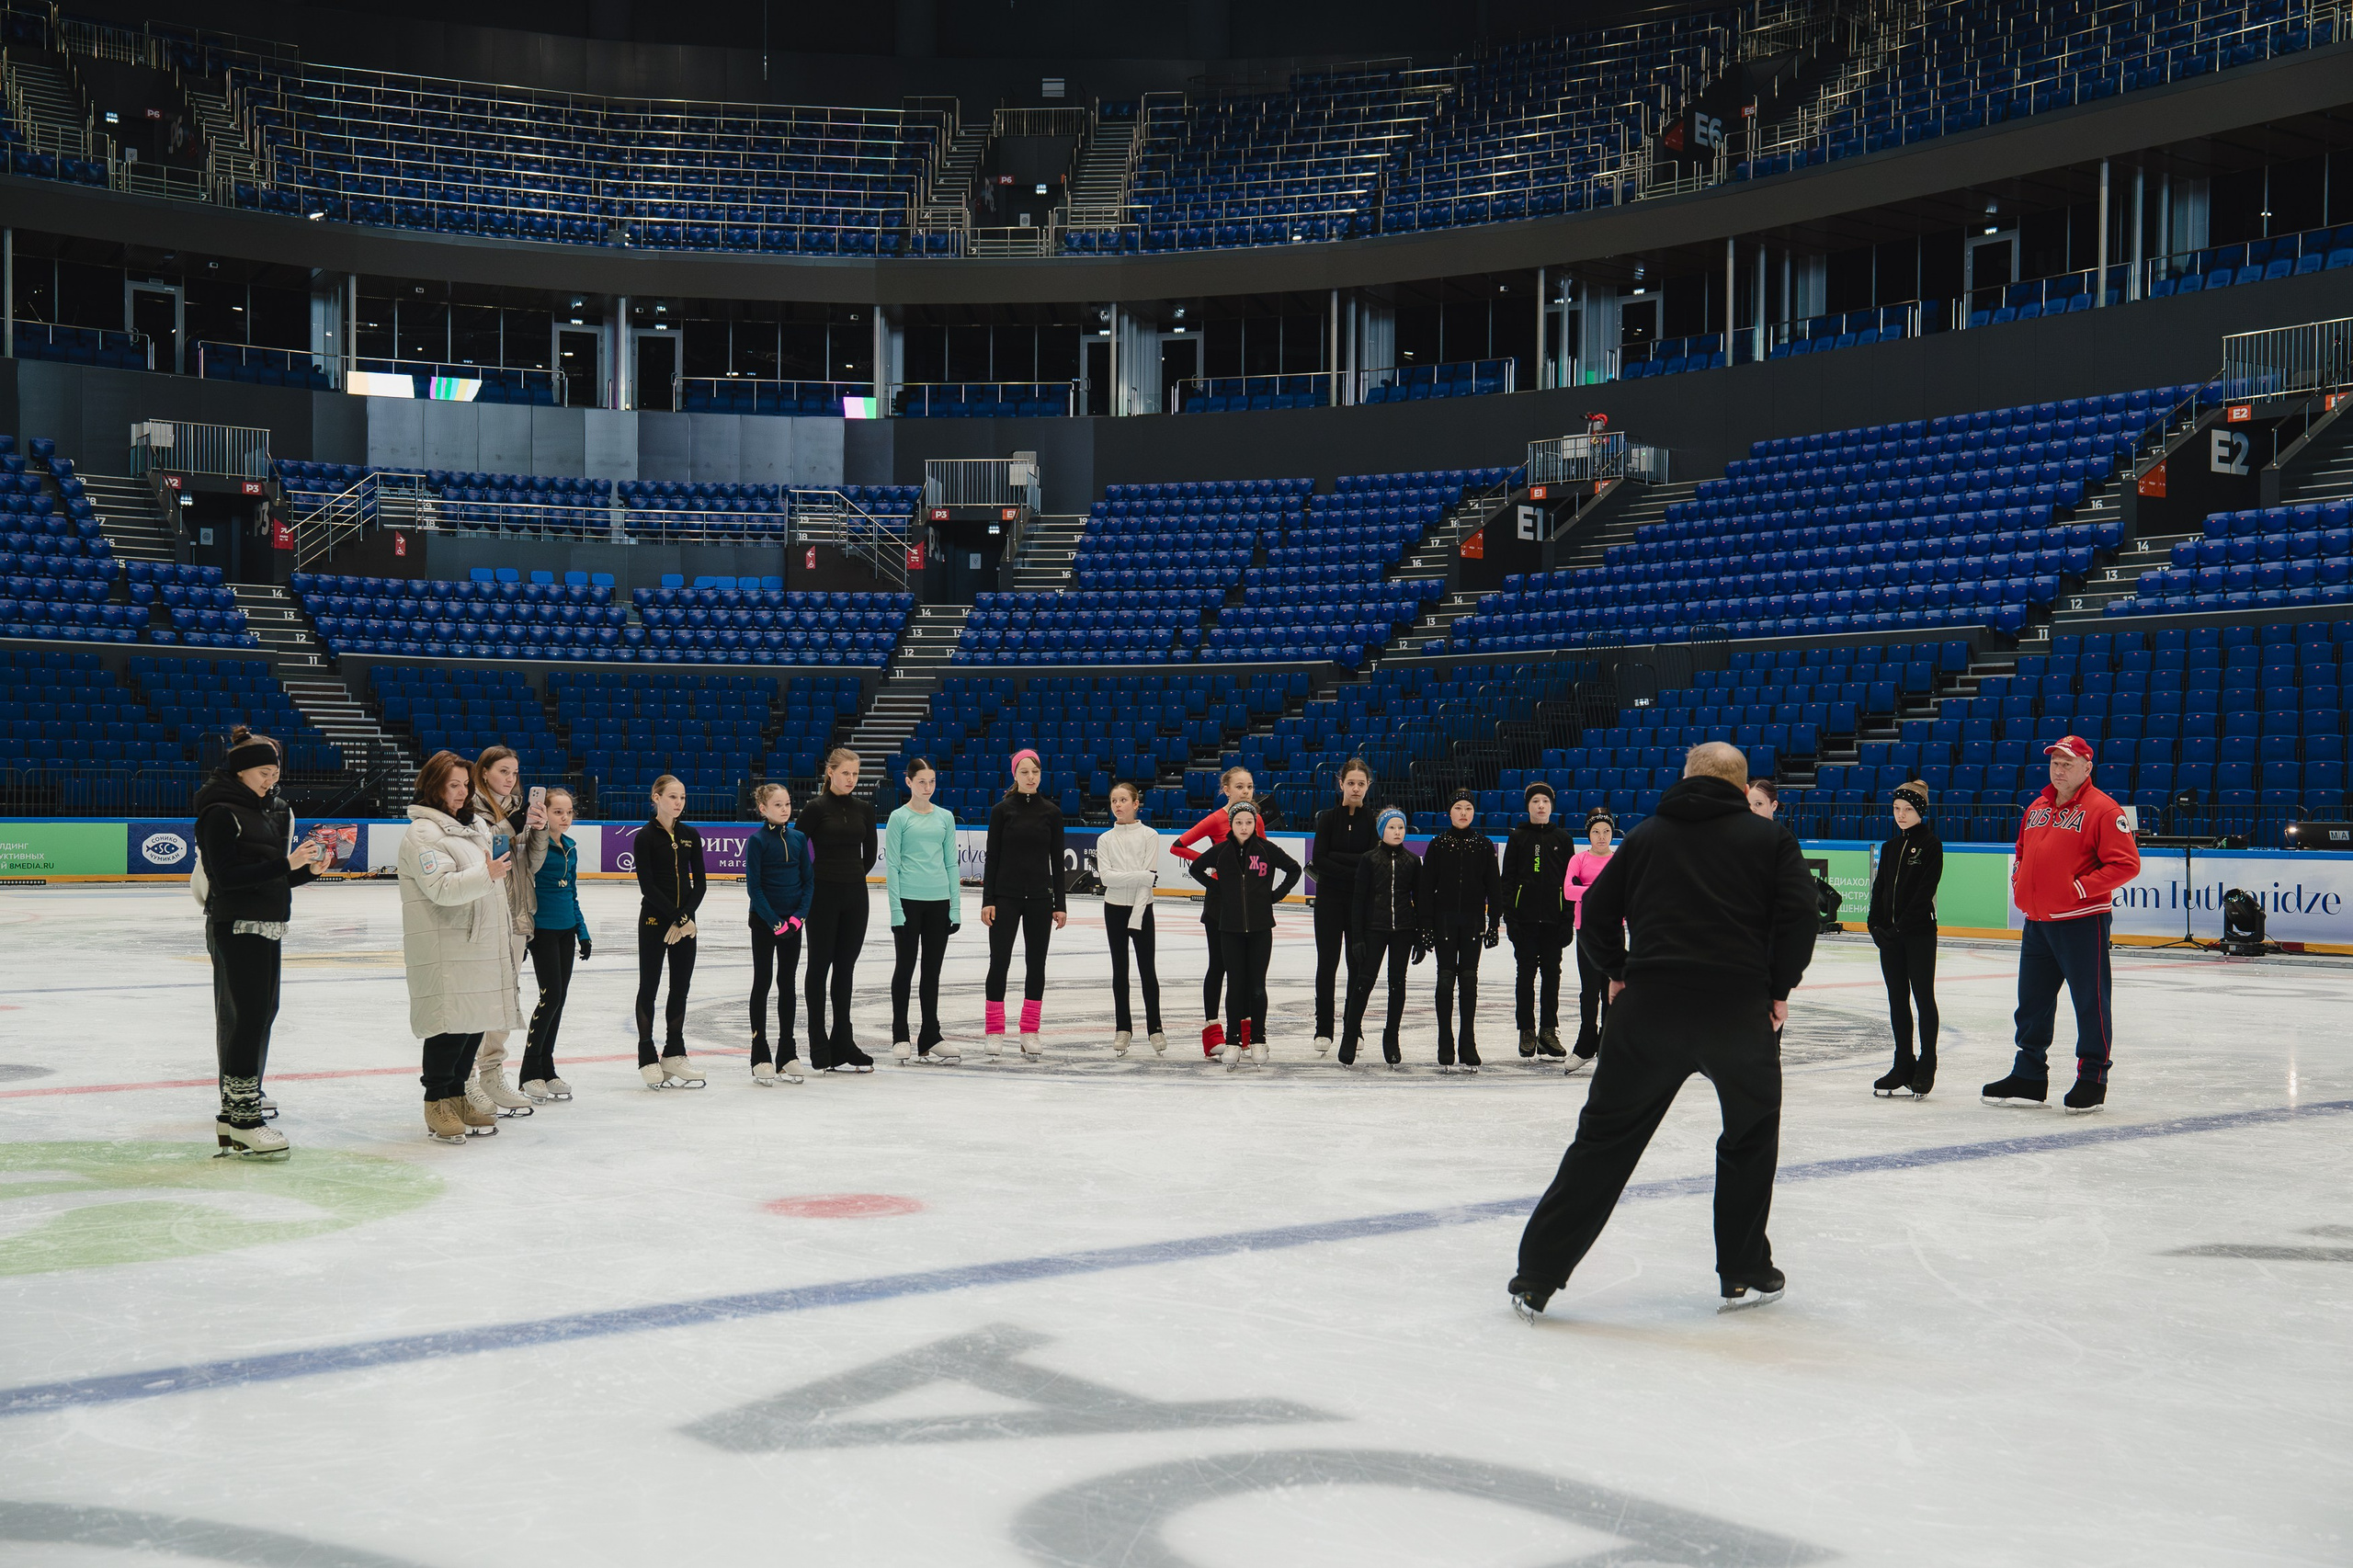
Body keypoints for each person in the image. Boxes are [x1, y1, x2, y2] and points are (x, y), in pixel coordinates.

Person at [1510, 743, 1819, 1319]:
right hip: (1736, 1012)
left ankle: (1537, 1276)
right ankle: (1743, 1271)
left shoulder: (1648, 835)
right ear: (1739, 783)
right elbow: (1802, 914)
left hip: (1648, 1012)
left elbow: (1597, 912)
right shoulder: (1768, 839)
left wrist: (1619, 971)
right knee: (1749, 1138)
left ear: (1686, 778)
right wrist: (1779, 987)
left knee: (1603, 1140)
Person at [1984, 735, 2142, 1115]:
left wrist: (2078, 888)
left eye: (2067, 763)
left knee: (2090, 1003)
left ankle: (2092, 1078)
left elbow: (2126, 864)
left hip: (2081, 922)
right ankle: (2029, 1076)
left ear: (2087, 767)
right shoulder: (2037, 806)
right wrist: (2020, 878)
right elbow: (2022, 850)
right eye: (2055, 762)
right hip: (2037, 921)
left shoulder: (2103, 809)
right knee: (2032, 1004)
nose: (2059, 769)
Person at [192, 724, 324, 1158]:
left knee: (263, 1012)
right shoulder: (219, 813)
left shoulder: (269, 811)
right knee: (247, 1017)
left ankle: (237, 1113)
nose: (272, 780)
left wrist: (307, 871)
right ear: (242, 772)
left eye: (275, 772)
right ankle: (243, 1116)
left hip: (269, 920)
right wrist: (286, 863)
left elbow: (271, 872)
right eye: (264, 772)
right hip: (237, 924)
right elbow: (226, 879)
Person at [398, 750, 522, 1144]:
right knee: (449, 1025)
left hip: (477, 943)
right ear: (433, 785)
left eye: (465, 785)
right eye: (453, 785)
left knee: (472, 1023)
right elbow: (442, 889)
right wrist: (486, 874)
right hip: (447, 945)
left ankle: (457, 1095)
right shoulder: (423, 833)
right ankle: (437, 1099)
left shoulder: (471, 827)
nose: (461, 792)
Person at [1186, 800, 1300, 1067]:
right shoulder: (1222, 851)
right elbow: (1195, 868)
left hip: (1261, 929)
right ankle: (1234, 1041)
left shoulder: (1267, 850)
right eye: (1239, 822)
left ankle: (1258, 1039)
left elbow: (1294, 869)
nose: (1244, 827)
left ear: (1255, 824)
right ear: (1232, 825)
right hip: (1230, 929)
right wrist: (1218, 889)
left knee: (1257, 987)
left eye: (1249, 822)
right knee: (1235, 985)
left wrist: (1275, 896)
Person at [470, 745, 544, 1118]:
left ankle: (492, 1071)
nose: (510, 778)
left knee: (506, 995)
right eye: (503, 770)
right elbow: (489, 848)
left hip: (516, 913)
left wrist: (539, 831)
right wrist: (516, 824)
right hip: (484, 911)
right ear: (484, 772)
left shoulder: (517, 810)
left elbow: (530, 861)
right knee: (478, 996)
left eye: (514, 771)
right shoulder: (471, 808)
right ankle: (467, 1075)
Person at [982, 748, 1067, 1059]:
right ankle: (994, 1030)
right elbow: (993, 859)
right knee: (999, 962)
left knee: (1036, 964)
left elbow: (1057, 863)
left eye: (1035, 772)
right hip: (1005, 898)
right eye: (1024, 772)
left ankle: (1030, 1030)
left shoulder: (1052, 813)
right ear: (1015, 776)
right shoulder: (1001, 811)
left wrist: (1061, 903)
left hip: (1041, 900)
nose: (1030, 777)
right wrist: (987, 899)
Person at [1170, 765, 1258, 1058]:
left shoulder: (1254, 819)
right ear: (1226, 790)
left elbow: (1262, 855)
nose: (1246, 791)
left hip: (1247, 901)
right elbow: (1178, 846)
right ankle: (1212, 1033)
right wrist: (1213, 861)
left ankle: (1246, 1033)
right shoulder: (1216, 819)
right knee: (1219, 965)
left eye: (1249, 786)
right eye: (1240, 787)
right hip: (1220, 902)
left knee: (1245, 968)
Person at [800, 748, 879, 1072]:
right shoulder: (815, 808)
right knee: (819, 966)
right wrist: (815, 880)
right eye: (845, 773)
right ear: (830, 772)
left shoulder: (864, 809)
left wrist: (852, 877)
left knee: (845, 969)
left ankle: (843, 1041)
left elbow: (870, 853)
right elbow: (795, 847)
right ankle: (818, 1043)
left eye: (855, 774)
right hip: (822, 896)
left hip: (856, 897)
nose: (851, 779)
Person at [1867, 781, 1943, 1098]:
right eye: (1897, 808)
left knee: (1923, 997)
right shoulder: (1889, 847)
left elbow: (1924, 894)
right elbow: (1880, 888)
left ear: (1920, 811)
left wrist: (1899, 929)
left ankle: (1927, 1063)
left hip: (1919, 935)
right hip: (1891, 938)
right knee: (1897, 998)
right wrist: (1874, 924)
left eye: (1908, 809)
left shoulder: (1930, 844)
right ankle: (1903, 1062)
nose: (1901, 815)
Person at [885, 757, 962, 1064]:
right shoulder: (898, 818)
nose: (927, 787)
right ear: (909, 782)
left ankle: (930, 1034)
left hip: (938, 902)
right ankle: (900, 1035)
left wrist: (954, 907)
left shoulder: (945, 817)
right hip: (908, 901)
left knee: (932, 971)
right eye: (921, 782)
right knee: (905, 968)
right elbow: (892, 865)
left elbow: (951, 863)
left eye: (931, 782)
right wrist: (895, 910)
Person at [633, 774, 709, 1088]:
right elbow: (647, 885)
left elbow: (700, 883)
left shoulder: (691, 834)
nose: (678, 803)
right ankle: (647, 1055)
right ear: (656, 797)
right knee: (649, 987)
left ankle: (674, 1053)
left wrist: (686, 919)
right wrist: (677, 918)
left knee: (680, 988)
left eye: (682, 798)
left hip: (685, 924)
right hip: (654, 921)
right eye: (672, 797)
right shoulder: (645, 836)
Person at [519, 786, 591, 1102]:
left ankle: (547, 1067)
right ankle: (529, 1071)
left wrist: (582, 930)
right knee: (550, 997)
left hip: (565, 929)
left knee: (559, 1000)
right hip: (543, 930)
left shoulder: (570, 847)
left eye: (569, 812)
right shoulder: (536, 845)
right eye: (557, 811)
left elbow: (572, 892)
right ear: (544, 813)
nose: (564, 817)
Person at [1422, 788, 1500, 1073]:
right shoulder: (1438, 845)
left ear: (1473, 812)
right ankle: (1445, 1041)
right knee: (1445, 979)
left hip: (1472, 922)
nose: (1463, 812)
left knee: (1468, 980)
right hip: (1443, 921)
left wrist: (1494, 923)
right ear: (1449, 812)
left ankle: (1468, 1042)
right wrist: (1426, 925)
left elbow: (1494, 886)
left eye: (1468, 808)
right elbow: (1426, 888)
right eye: (1458, 808)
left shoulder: (1484, 845)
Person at [1341, 805, 1422, 1068]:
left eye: (1401, 827)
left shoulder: (1413, 861)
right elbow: (1358, 900)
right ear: (1381, 830)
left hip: (1404, 931)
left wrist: (1420, 936)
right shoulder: (1369, 859)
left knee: (1398, 984)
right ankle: (1350, 1035)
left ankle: (1391, 1038)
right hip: (1373, 929)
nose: (1397, 832)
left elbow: (1419, 901)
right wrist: (1357, 938)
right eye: (1392, 827)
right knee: (1363, 982)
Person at [1306, 759, 1378, 1056]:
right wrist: (1355, 866)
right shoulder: (1327, 819)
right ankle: (1323, 1028)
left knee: (1356, 966)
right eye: (1351, 783)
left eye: (1361, 783)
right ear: (1341, 784)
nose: (1356, 788)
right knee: (1327, 965)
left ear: (1368, 786)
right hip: (1328, 902)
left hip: (1360, 905)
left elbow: (1371, 860)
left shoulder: (1374, 821)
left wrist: (1340, 861)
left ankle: (1353, 1026)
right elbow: (1318, 860)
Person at [745, 782, 814, 1083]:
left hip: (793, 925)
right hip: (764, 923)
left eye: (787, 804)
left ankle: (787, 1051)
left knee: (787, 984)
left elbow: (808, 883)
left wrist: (798, 919)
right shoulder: (757, 841)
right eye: (777, 805)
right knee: (763, 982)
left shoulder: (799, 838)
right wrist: (774, 922)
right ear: (763, 808)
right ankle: (759, 1052)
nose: (785, 809)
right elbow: (754, 887)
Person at [1501, 781, 1574, 1062]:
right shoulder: (1518, 838)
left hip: (1554, 922)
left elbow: (1569, 883)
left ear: (1552, 806)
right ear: (1528, 806)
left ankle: (1547, 1031)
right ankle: (1527, 1030)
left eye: (1545, 801)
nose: (1540, 805)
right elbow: (1507, 882)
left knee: (1552, 976)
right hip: (1526, 922)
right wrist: (1512, 919)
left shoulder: (1563, 839)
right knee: (1526, 975)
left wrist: (1567, 918)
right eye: (1535, 801)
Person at [1096, 779, 1167, 1056]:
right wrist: (1141, 876)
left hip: (1142, 908)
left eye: (1123, 800)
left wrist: (1137, 916)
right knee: (1120, 970)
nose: (1118, 805)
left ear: (1136, 804)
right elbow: (1107, 878)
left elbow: (1146, 884)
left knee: (1147, 971)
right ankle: (1122, 1028)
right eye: (1114, 801)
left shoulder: (1150, 835)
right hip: (1113, 908)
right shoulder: (1105, 839)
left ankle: (1155, 1027)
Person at [1561, 808, 1617, 1073]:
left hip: (1613, 932)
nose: (1602, 836)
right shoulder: (1578, 859)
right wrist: (1601, 891)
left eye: (1606, 831)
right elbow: (1569, 891)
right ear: (1588, 834)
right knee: (1589, 990)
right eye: (1596, 831)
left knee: (1611, 991)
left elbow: (1626, 892)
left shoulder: (1619, 860)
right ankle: (1585, 1045)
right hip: (1586, 931)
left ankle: (1608, 1046)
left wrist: (1590, 892)